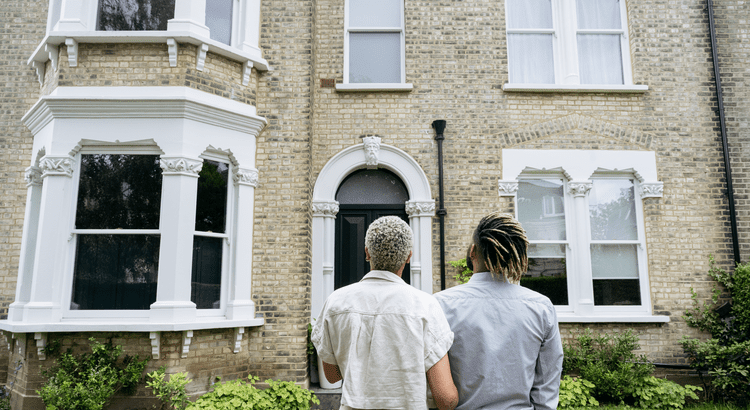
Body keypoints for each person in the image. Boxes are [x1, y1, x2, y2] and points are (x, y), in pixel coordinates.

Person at [312, 216, 458, 410]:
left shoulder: (336, 302)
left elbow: (331, 376)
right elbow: (445, 398)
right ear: (408, 257)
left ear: (367, 253)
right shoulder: (425, 306)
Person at [435, 212, 563, 410]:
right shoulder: (541, 308)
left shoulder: (441, 305)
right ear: (516, 256)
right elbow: (547, 387)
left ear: (472, 252)